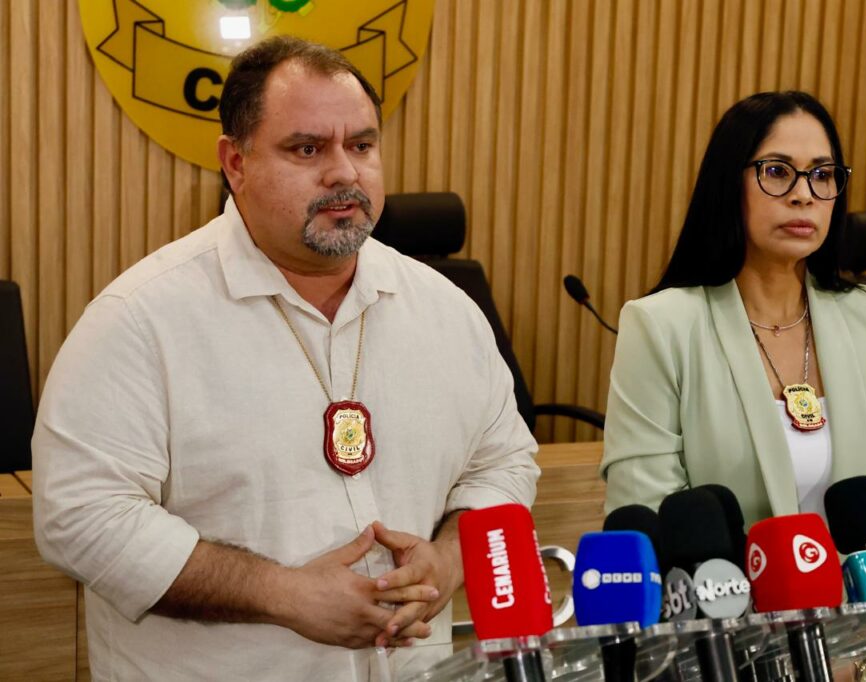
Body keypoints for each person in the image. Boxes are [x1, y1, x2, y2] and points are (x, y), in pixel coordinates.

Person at [32, 36, 540, 680]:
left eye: (361, 145)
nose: (344, 173)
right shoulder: (141, 319)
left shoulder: (447, 311)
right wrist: (281, 594)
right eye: (307, 149)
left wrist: (450, 559)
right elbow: (80, 517)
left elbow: (504, 461)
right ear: (235, 162)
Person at [600, 91, 866, 535]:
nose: (803, 195)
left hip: (862, 600)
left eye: (822, 175)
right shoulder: (661, 327)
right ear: (727, 184)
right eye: (777, 171)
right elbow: (651, 518)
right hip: (728, 599)